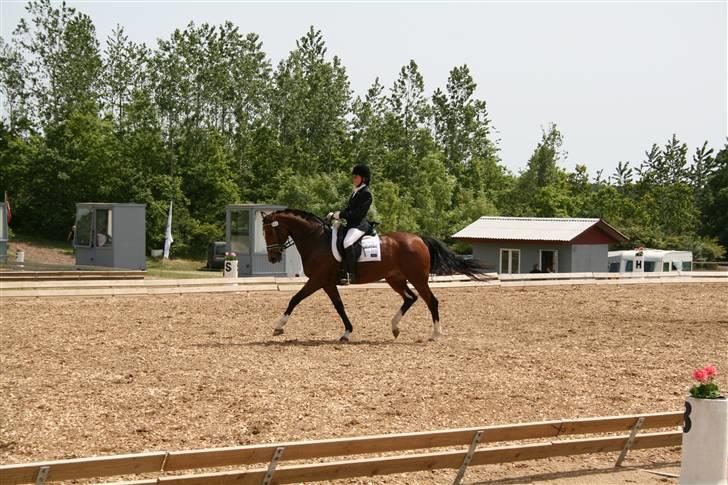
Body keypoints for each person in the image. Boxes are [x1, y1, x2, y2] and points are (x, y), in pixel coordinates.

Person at [327, 164, 373, 285]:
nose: (353, 179)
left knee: (347, 242)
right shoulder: (355, 192)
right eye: (353, 176)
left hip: (360, 225)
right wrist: (335, 214)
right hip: (351, 225)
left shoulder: (366, 194)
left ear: (363, 179)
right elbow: (349, 209)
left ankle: (351, 274)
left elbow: (358, 213)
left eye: (355, 176)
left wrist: (340, 215)